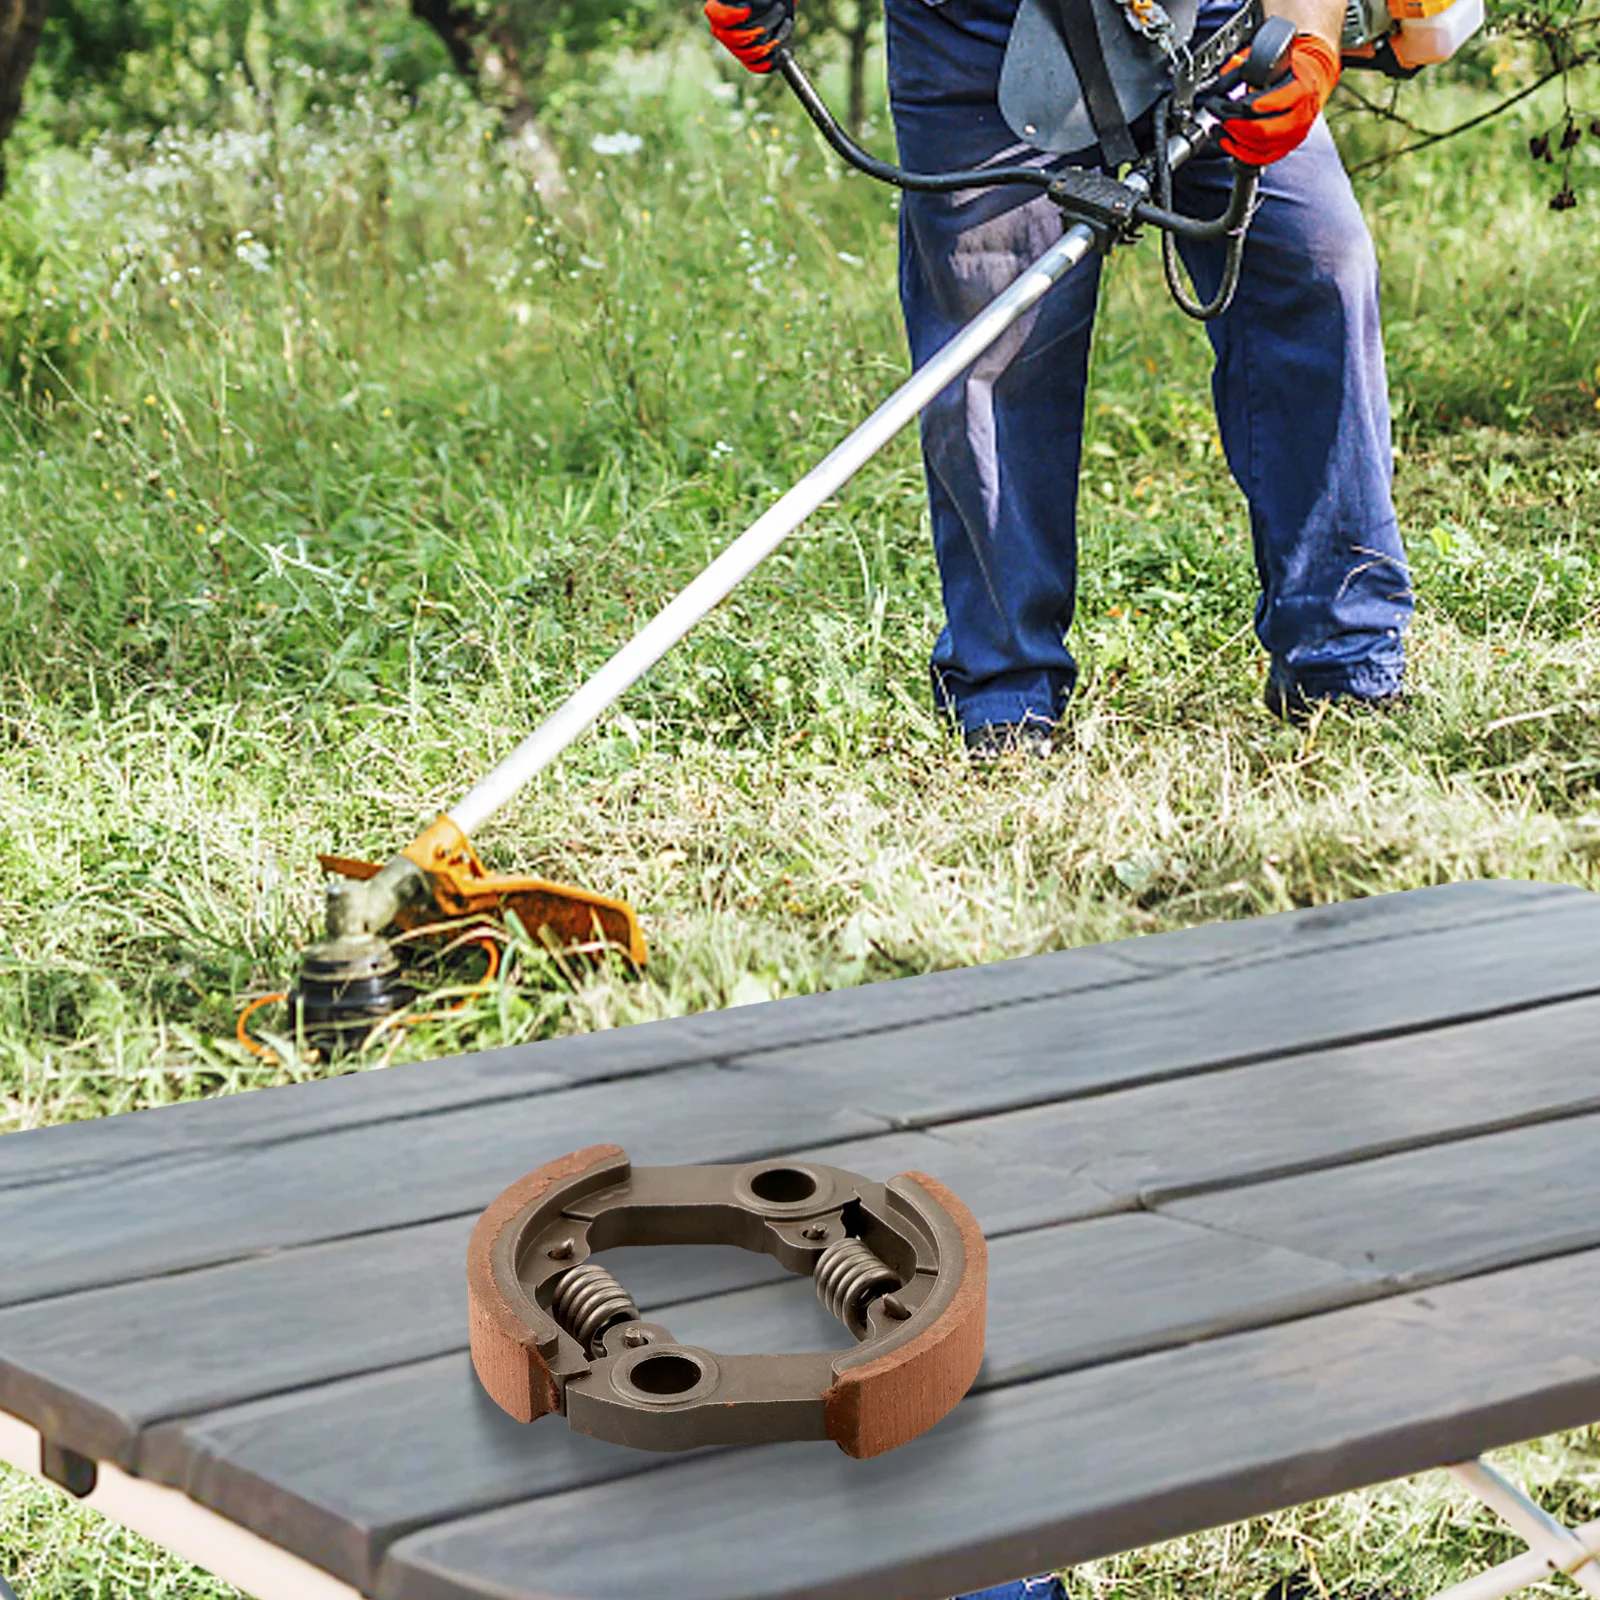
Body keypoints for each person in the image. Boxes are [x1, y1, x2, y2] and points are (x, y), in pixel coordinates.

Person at [704, 0, 1414, 755]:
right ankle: (1006, 698)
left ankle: (1344, 658)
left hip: (1208, 20)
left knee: (1314, 266)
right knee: (990, 345)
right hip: (977, 34)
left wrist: (1308, 41)